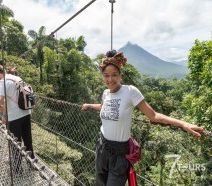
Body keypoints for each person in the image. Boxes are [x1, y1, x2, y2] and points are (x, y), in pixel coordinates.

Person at [81, 50, 204, 186]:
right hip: (102, 147)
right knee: (100, 183)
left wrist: (183, 124)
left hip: (120, 153)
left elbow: (154, 115)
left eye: (114, 75)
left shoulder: (130, 92)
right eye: (106, 76)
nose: (110, 79)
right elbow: (104, 106)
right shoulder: (105, 93)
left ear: (120, 75)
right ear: (102, 76)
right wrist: (89, 105)